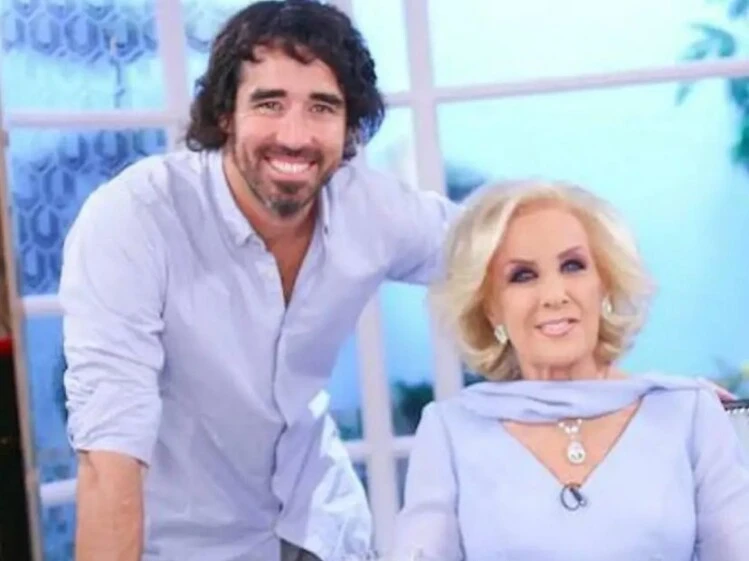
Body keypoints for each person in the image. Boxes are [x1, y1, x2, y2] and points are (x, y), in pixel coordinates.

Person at [59, 1, 456, 560]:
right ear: (226, 114)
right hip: (182, 544)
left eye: (322, 107)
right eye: (269, 104)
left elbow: (493, 249)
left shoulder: (368, 207)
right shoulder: (136, 217)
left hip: (320, 526)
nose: (294, 136)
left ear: (349, 126)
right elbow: (110, 452)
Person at [388, 180, 749, 561]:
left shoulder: (688, 414)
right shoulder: (450, 431)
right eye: (522, 275)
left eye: (572, 266)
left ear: (604, 285)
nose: (554, 295)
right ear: (490, 308)